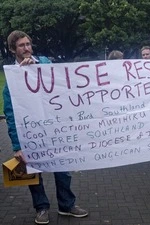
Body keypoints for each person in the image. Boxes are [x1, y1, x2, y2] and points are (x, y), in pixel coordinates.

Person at [3, 30, 88, 224]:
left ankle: (67, 205)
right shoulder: (11, 78)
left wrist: (36, 70)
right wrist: (17, 146)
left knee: (63, 169)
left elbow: (59, 82)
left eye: (28, 44)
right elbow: (10, 113)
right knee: (33, 172)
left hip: (54, 130)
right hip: (30, 134)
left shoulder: (44, 63)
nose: (26, 49)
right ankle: (41, 208)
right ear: (12, 50)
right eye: (21, 46)